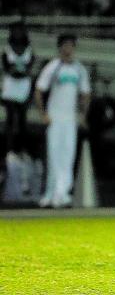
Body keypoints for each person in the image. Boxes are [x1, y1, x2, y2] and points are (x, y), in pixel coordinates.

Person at [34, 34, 91, 208]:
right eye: (65, 45)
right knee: (53, 156)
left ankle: (62, 193)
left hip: (70, 119)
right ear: (60, 47)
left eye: (71, 46)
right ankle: (51, 193)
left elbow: (86, 94)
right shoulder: (53, 67)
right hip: (54, 118)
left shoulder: (79, 70)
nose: (68, 49)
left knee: (67, 155)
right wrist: (43, 114)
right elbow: (38, 90)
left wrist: (82, 115)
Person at [1, 27, 35, 190]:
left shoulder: (29, 51)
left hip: (23, 88)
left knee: (22, 120)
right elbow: (8, 69)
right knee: (10, 119)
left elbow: (29, 69)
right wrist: (18, 72)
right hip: (10, 88)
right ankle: (9, 150)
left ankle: (22, 149)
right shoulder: (7, 51)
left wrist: (19, 71)